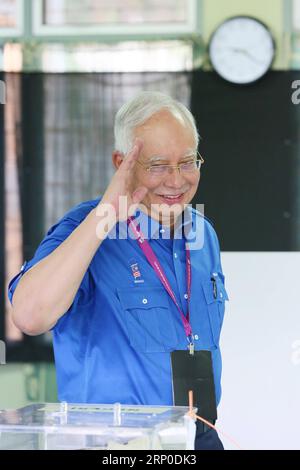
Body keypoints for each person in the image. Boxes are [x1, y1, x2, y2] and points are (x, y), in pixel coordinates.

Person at [8, 91, 228, 450]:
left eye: (187, 162)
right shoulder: (84, 228)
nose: (176, 181)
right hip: (115, 446)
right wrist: (107, 213)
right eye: (157, 165)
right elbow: (30, 316)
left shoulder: (203, 233)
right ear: (121, 162)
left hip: (197, 436)